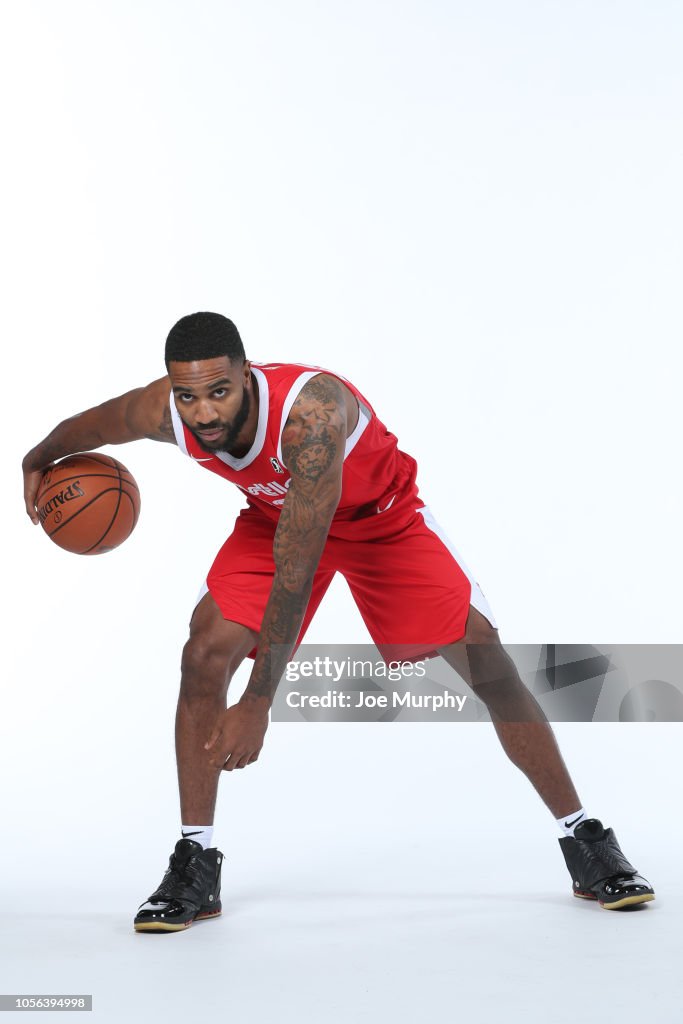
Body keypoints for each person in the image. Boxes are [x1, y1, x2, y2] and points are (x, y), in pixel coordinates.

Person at [22, 312, 655, 931]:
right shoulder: (164, 412)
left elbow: (298, 570)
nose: (206, 412)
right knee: (202, 654)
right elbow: (87, 428)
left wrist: (258, 701)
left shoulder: (311, 420)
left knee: (486, 661)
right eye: (189, 396)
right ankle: (194, 859)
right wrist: (37, 458)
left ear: (249, 375)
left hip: (382, 522)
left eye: (220, 391)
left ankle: (585, 839)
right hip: (276, 521)